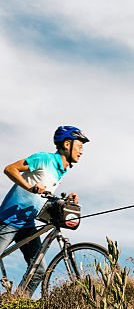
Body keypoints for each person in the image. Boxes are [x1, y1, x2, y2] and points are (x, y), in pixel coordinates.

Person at [0, 126, 87, 295]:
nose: (82, 151)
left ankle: (17, 304)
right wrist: (30, 187)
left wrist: (66, 199)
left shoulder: (61, 171)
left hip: (27, 224)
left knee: (39, 270)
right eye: (80, 146)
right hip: (9, 220)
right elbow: (9, 169)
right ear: (67, 144)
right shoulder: (44, 159)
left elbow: (43, 196)